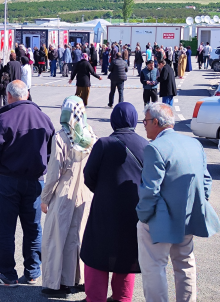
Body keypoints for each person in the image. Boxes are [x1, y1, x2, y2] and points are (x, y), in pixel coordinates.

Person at [136, 103, 220, 302]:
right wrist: (197, 201)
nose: (145, 126)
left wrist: (143, 216)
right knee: (185, 263)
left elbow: (150, 190)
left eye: (146, 121)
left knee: (154, 267)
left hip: (160, 219)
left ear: (156, 122)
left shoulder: (155, 148)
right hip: (188, 214)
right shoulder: (194, 144)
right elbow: (206, 180)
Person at [0, 80, 55, 287]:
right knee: (33, 228)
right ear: (28, 95)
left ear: (9, 96)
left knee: (5, 229)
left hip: (6, 180)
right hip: (34, 181)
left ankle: (8, 274)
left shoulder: (5, 119)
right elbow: (51, 153)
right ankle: (33, 272)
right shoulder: (44, 118)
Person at [81, 102, 148, 302]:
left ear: (114, 120)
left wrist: (102, 191)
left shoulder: (103, 144)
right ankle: (122, 297)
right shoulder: (146, 145)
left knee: (97, 252)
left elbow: (89, 175)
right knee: (126, 253)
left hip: (105, 206)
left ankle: (96, 297)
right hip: (134, 208)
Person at [40, 96, 97, 297]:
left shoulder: (62, 137)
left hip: (64, 192)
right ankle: (78, 280)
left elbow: (54, 173)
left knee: (56, 238)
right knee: (78, 237)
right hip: (84, 193)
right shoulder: (90, 134)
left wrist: (45, 198)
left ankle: (56, 282)